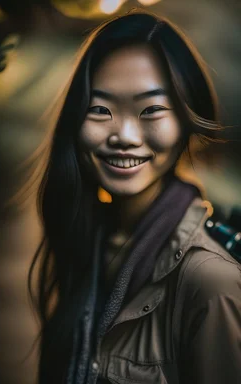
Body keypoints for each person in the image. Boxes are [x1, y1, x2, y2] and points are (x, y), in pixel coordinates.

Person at [29, 9, 241, 384]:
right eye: (100, 109)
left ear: (185, 118)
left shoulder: (211, 283)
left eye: (152, 110)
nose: (124, 134)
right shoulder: (91, 244)